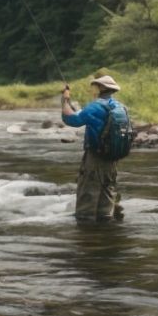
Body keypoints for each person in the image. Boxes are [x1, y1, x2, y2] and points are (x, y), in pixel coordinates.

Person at [60, 75, 125, 222]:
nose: (94, 90)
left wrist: (65, 99)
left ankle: (86, 236)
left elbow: (71, 119)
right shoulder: (120, 107)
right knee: (106, 197)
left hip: (95, 158)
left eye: (95, 87)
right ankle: (105, 233)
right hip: (113, 159)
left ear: (101, 88)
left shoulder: (95, 106)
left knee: (87, 198)